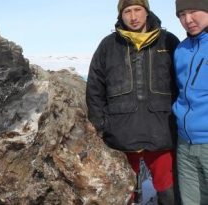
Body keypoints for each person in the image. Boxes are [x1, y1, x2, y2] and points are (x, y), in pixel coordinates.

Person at [86, 0, 180, 204]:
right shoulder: (108, 45)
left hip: (161, 132)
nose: (133, 16)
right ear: (121, 15)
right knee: (124, 188)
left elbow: (182, 83)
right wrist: (100, 124)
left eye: (138, 9)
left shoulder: (169, 41)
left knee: (167, 187)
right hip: (121, 136)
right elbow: (95, 87)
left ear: (147, 12)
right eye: (127, 11)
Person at [172, 0, 208, 204]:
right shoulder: (181, 49)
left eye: (194, 11)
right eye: (182, 14)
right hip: (185, 143)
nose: (188, 20)